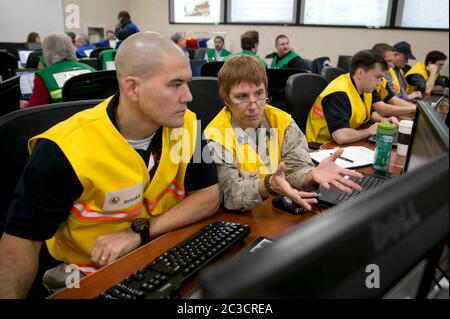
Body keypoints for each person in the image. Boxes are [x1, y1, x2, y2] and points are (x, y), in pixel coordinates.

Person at [0, 31, 220, 299]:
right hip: (85, 272)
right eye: (175, 84)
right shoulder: (62, 149)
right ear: (132, 88)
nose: (188, 96)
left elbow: (209, 196)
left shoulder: (189, 126)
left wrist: (139, 234)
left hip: (161, 253)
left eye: (187, 82)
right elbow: (21, 241)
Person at [205, 55, 363, 211]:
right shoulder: (215, 136)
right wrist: (268, 185)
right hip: (244, 219)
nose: (253, 106)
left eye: (259, 94)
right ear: (226, 99)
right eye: (242, 96)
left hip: (277, 212)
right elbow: (230, 194)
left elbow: (295, 169)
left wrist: (311, 175)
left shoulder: (281, 121)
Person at [305, 49, 398, 145]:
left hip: (342, 142)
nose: (379, 83)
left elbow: (369, 112)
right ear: (360, 73)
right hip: (321, 146)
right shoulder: (338, 93)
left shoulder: (364, 88)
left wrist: (383, 121)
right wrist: (370, 130)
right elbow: (341, 136)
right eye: (377, 77)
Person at [25, 33, 95, 107]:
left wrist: (25, 105)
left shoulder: (43, 76)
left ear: (47, 52)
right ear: (71, 48)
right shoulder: (90, 69)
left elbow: (34, 109)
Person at [371, 43, 416, 116]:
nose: (392, 65)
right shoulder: (369, 80)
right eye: (388, 61)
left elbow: (393, 99)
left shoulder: (381, 79)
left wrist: (415, 107)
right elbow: (381, 109)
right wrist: (413, 109)